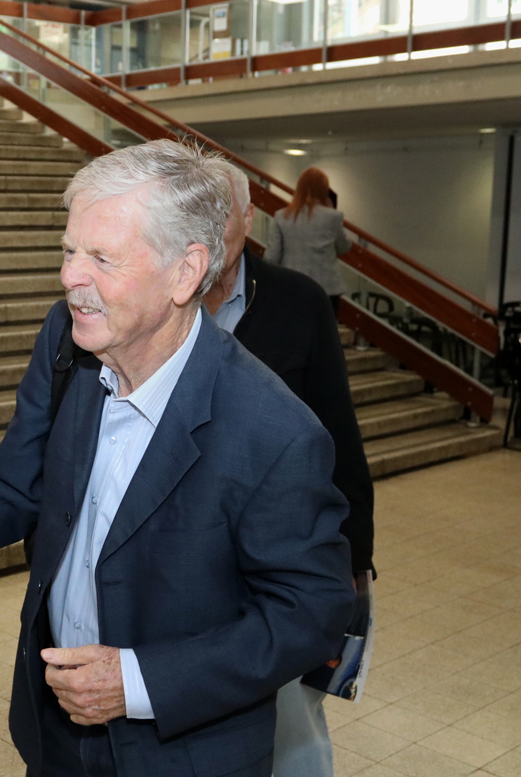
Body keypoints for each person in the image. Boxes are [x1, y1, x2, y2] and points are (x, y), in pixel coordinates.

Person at [0, 140, 356, 777]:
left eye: (101, 257)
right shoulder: (67, 341)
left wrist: (138, 681)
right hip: (57, 734)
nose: (71, 276)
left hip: (183, 753)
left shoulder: (274, 429)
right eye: (70, 251)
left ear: (185, 272)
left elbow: (311, 612)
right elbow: (13, 486)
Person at [205, 161, 374, 777]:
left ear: (250, 219)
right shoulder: (160, 299)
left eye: (221, 213)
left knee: (292, 722)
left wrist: (356, 559)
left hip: (282, 548)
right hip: (193, 550)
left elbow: (338, 432)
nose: (207, 228)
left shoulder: (299, 302)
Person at [266, 166, 352, 311]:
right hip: (327, 288)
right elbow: (344, 247)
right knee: (325, 325)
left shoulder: (281, 216)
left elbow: (271, 257)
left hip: (291, 285)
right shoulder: (332, 216)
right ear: (324, 189)